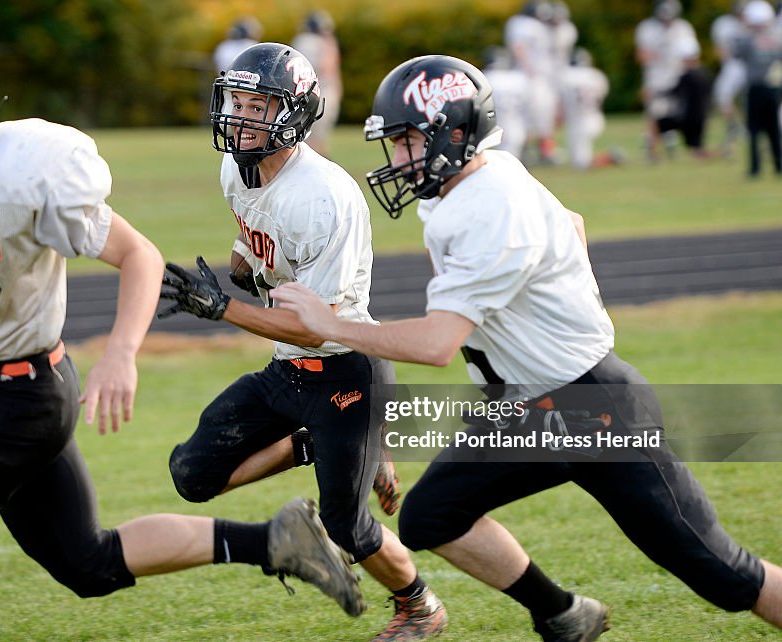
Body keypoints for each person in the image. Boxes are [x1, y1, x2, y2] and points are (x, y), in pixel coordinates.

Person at [0, 31, 365, 642]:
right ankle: (276, 541)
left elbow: (138, 254)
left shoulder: (25, 173)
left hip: (20, 398)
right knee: (87, 563)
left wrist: (121, 352)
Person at [273, 54, 782, 641]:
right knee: (431, 515)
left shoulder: (490, 205)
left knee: (720, 573)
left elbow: (438, 344)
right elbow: (572, 222)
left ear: (456, 133)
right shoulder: (472, 180)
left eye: (410, 140)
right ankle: (563, 614)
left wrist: (327, 324)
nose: (399, 158)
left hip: (594, 410)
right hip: (536, 407)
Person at [159, 42, 447, 641]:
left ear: (293, 115)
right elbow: (253, 232)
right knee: (193, 472)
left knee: (349, 527)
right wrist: (239, 268)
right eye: (235, 101)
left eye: (257, 106)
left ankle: (420, 606)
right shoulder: (236, 166)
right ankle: (315, 443)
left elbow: (317, 325)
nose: (239, 116)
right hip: (288, 370)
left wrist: (225, 307)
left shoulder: (324, 197)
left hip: (345, 371)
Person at [635, 0, 699, 161]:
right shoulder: (647, 28)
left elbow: (692, 56)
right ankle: (652, 151)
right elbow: (641, 55)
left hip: (678, 77)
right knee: (654, 115)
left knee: (678, 114)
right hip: (656, 78)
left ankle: (679, 146)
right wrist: (659, 56)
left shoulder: (683, 28)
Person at [505, 0, 559, 164]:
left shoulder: (531, 25)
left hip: (535, 77)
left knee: (542, 115)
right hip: (528, 77)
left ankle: (542, 150)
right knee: (529, 115)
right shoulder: (522, 23)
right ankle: (527, 151)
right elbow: (518, 47)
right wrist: (530, 70)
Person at [733, 0, 782, 177]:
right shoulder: (777, 35)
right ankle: (778, 165)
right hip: (774, 88)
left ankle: (755, 168)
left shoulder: (748, 37)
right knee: (774, 129)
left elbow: (737, 54)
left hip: (755, 87)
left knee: (754, 130)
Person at [292, 10, 343, 156]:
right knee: (315, 135)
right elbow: (326, 68)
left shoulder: (302, 40)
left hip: (306, 91)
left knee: (309, 133)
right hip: (319, 90)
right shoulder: (313, 42)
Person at [656, 35, 713, 159]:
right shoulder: (705, 73)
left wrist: (656, 94)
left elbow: (674, 92)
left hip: (688, 119)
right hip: (702, 118)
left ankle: (664, 148)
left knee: (661, 123)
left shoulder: (687, 76)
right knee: (697, 150)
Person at [710, 0, 753, 158]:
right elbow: (720, 50)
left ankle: (750, 128)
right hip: (732, 65)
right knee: (721, 96)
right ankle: (734, 126)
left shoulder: (753, 23)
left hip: (750, 65)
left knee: (750, 98)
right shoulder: (724, 24)